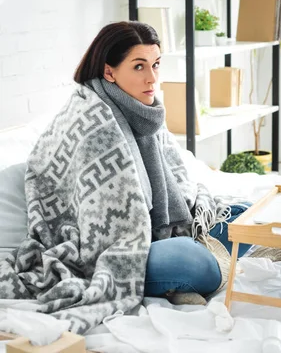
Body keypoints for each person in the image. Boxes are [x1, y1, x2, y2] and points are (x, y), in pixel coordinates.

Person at [73, 20, 253, 303]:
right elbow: (103, 226)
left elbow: (177, 177)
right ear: (109, 70)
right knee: (192, 262)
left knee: (249, 215)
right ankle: (192, 271)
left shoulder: (146, 111)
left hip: (167, 236)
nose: (152, 79)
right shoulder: (94, 121)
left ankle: (187, 273)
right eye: (139, 66)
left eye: (156, 64)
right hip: (123, 253)